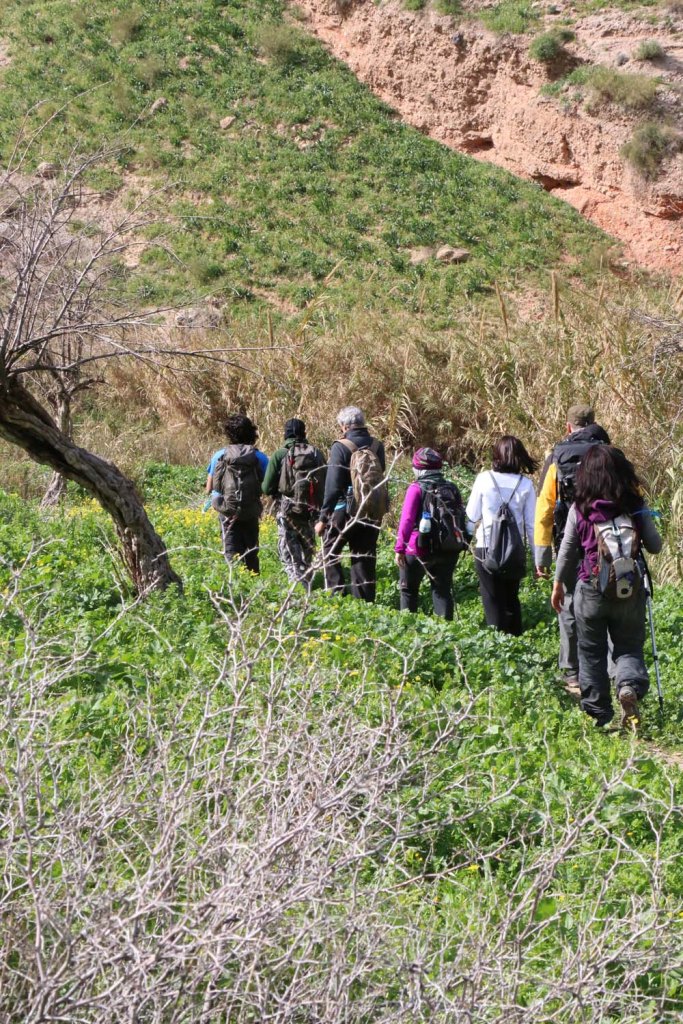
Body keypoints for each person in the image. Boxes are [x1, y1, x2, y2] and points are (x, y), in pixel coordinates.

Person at [551, 445, 662, 729]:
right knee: (628, 646)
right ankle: (628, 686)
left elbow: (567, 550)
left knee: (590, 652)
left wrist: (559, 584)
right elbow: (655, 546)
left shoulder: (581, 507)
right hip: (628, 589)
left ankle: (599, 713)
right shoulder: (634, 504)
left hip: (590, 590)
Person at [535, 404, 611, 694]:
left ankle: (572, 675)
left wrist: (542, 554)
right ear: (593, 423)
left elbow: (544, 507)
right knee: (605, 600)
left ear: (568, 427)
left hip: (569, 541)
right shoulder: (608, 454)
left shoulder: (557, 456)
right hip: (606, 543)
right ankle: (610, 671)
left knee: (566, 604)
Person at [314, 406, 387, 603]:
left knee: (331, 551)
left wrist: (323, 518)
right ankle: (364, 603)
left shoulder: (341, 446)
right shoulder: (376, 445)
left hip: (343, 511)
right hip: (371, 510)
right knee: (363, 556)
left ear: (345, 426)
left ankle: (338, 598)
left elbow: (332, 485)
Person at [466, 435, 537, 635]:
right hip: (514, 551)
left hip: (485, 548)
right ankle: (516, 641)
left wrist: (464, 540)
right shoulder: (526, 484)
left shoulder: (484, 479)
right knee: (511, 599)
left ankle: (497, 645)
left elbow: (472, 516)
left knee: (492, 599)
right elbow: (532, 526)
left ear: (496, 454)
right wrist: (539, 560)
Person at [394, 447, 465, 620]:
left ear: (418, 469)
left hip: (418, 549)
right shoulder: (451, 488)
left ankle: (407, 630)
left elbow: (407, 520)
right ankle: (445, 634)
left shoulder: (416, 488)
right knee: (442, 592)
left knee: (408, 591)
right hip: (447, 548)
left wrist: (399, 548)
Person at [262, 418, 326, 588]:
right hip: (311, 511)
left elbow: (267, 487)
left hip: (287, 510)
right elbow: (325, 482)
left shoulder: (280, 454)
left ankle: (297, 590)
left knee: (289, 553)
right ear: (304, 433)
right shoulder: (316, 454)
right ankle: (307, 582)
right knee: (307, 550)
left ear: (286, 433)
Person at [206, 414, 268, 574]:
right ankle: (254, 583)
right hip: (250, 511)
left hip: (227, 511)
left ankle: (237, 588)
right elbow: (268, 486)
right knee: (251, 552)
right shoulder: (259, 457)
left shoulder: (219, 456)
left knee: (231, 553)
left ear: (229, 434)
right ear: (251, 433)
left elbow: (209, 487)